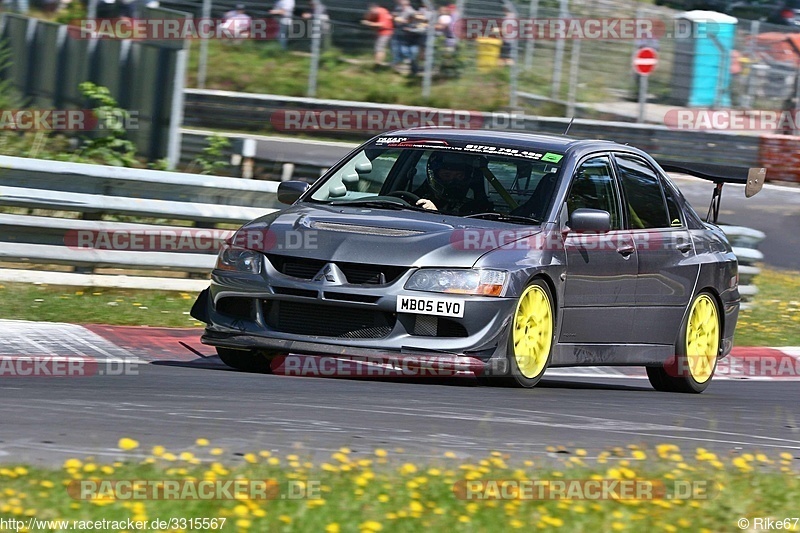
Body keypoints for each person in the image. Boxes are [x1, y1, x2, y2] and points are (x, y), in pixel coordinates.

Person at [414, 153, 492, 215]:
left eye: (459, 176)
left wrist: (435, 214)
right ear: (434, 175)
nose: (453, 181)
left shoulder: (476, 207)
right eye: (446, 175)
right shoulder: (417, 197)